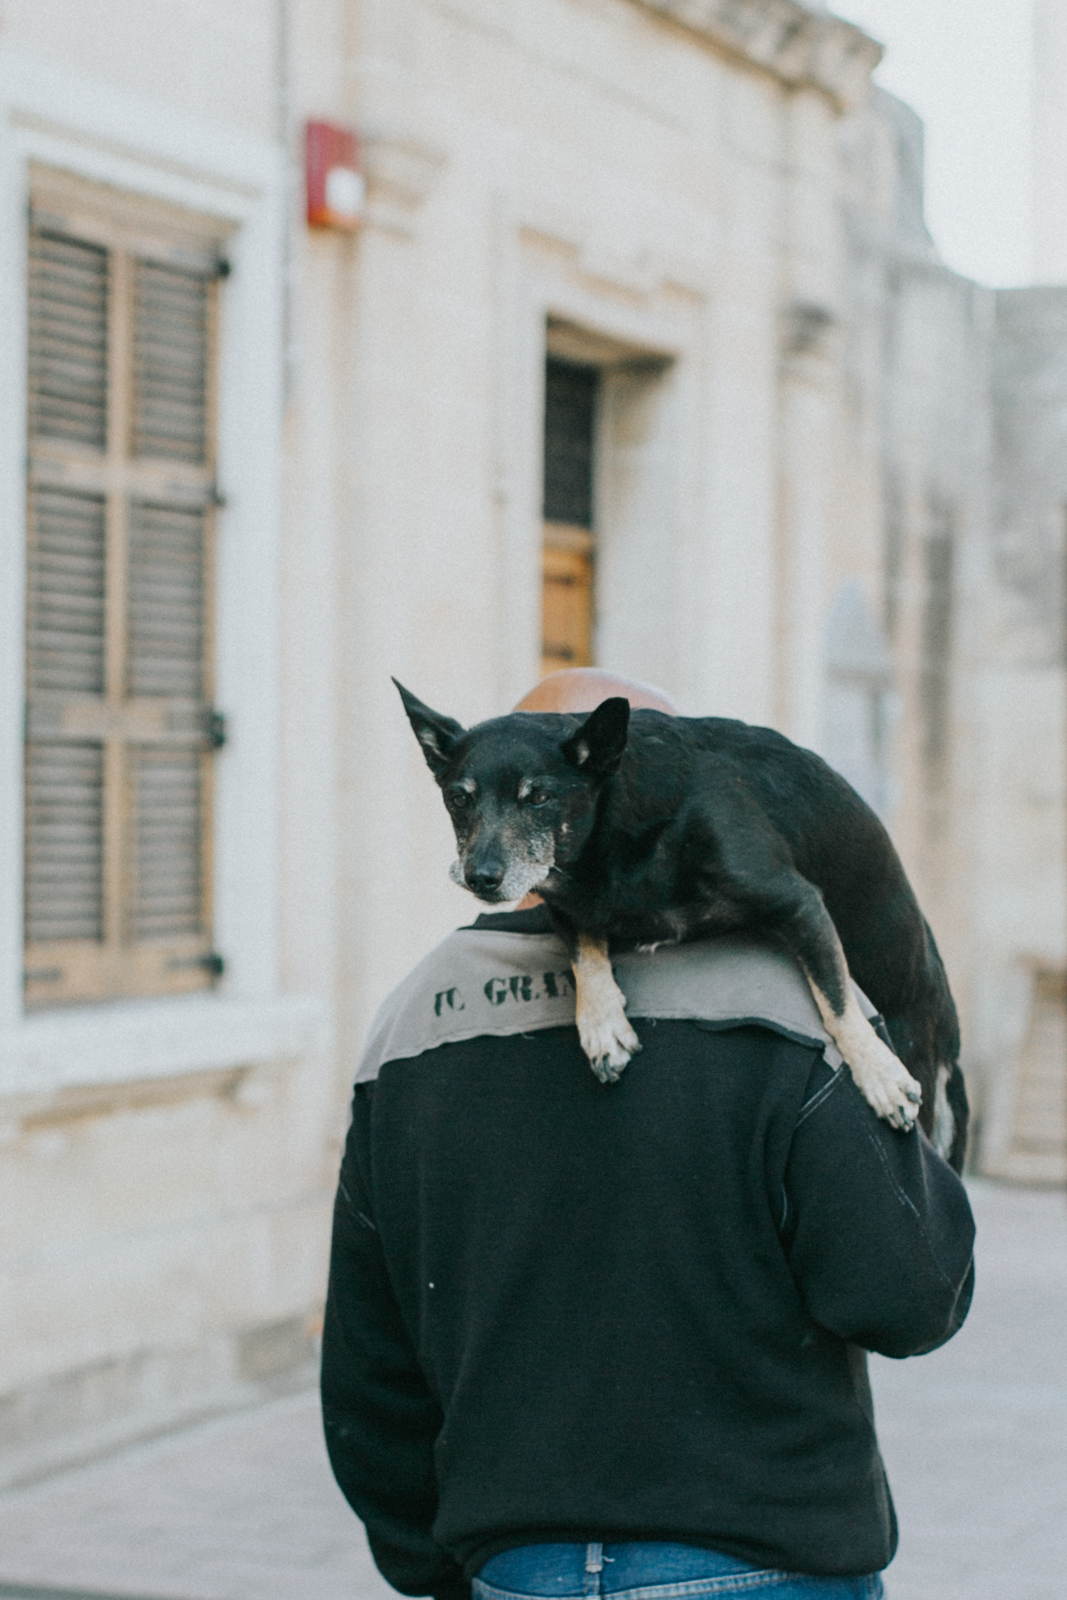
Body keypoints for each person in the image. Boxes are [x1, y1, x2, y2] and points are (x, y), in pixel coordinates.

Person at [321, 669, 975, 1600]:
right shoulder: (788, 1011)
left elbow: (367, 1357)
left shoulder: (413, 1019)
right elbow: (908, 1297)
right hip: (764, 1562)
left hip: (515, 1568)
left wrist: (442, 1568)